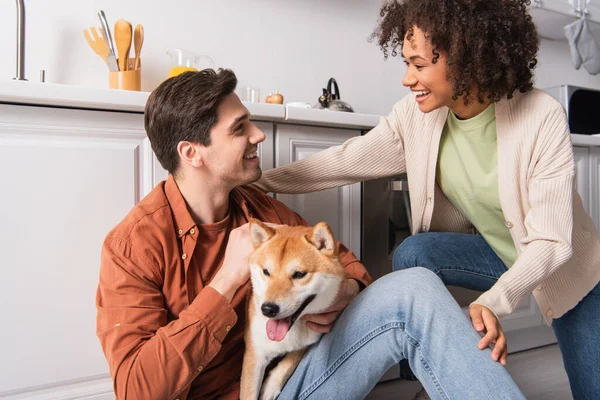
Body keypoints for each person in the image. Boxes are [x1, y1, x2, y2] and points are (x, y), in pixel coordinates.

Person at [96, 69, 525, 400]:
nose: (257, 135)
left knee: (414, 286)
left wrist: (339, 295)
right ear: (192, 154)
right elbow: (136, 388)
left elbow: (345, 265)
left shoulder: (260, 209)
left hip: (293, 379)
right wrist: (225, 280)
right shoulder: (134, 244)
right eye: (239, 128)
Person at [255, 0, 600, 398]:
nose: (407, 79)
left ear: (469, 60)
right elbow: (346, 160)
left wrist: (493, 302)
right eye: (406, 63)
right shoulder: (417, 115)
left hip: (567, 270)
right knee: (417, 253)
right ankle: (432, 370)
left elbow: (553, 241)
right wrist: (262, 182)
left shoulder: (542, 116)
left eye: (419, 65)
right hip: (497, 254)